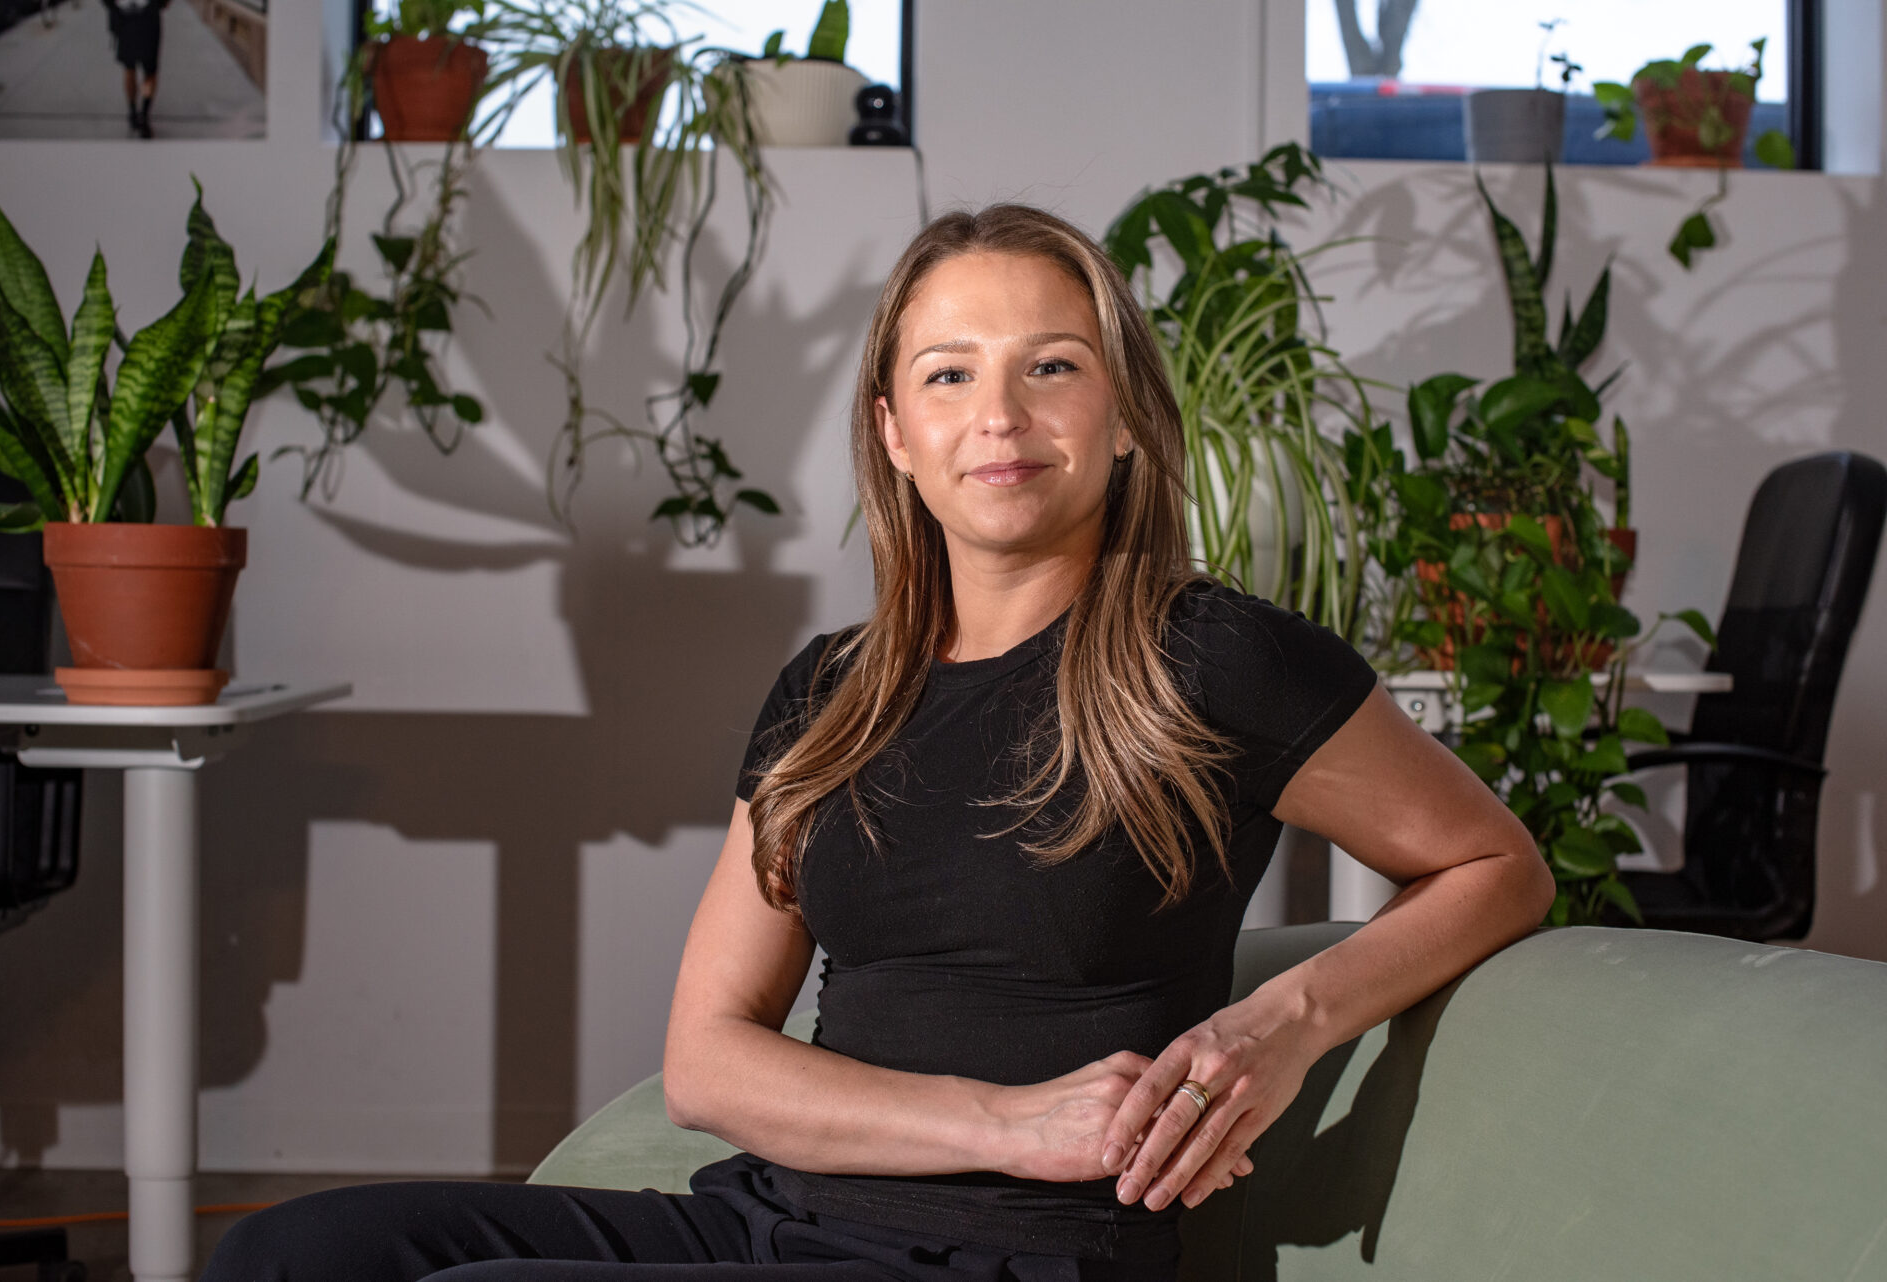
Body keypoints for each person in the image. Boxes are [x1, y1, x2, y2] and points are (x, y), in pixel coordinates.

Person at [199, 204, 1554, 1280]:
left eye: (1052, 367)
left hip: (1021, 1254)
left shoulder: (1214, 659)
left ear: (1128, 416)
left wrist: (1282, 1024)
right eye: (950, 374)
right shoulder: (832, 689)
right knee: (288, 1252)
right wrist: (1006, 1119)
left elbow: (1497, 863)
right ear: (896, 433)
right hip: (774, 1219)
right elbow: (708, 1059)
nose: (1001, 415)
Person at [100, 0, 169, 139]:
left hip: (126, 18)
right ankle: (143, 113)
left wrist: (113, 7)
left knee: (131, 69)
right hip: (146, 17)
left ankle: (133, 112)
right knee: (148, 73)